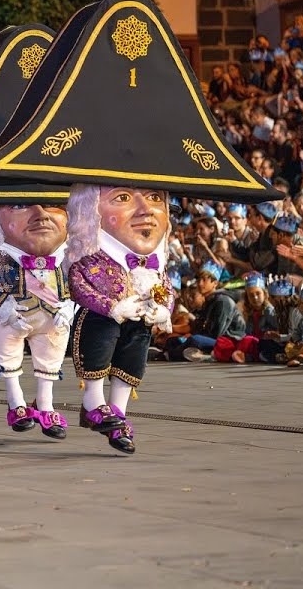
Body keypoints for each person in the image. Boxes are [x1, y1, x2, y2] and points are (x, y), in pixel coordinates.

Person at [65, 185, 175, 453]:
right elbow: (78, 286)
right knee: (100, 342)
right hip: (103, 320)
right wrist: (112, 307)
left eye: (154, 198)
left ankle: (118, 412)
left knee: (133, 359)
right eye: (123, 198)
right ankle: (93, 401)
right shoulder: (92, 257)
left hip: (139, 324)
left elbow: (166, 288)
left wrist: (163, 310)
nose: (147, 209)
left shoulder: (154, 263)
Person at [0, 203, 75, 439]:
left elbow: (78, 286)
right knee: (8, 357)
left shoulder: (68, 258)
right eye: (21, 206)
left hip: (53, 319)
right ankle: (15, 401)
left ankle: (46, 405)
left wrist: (71, 306)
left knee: (51, 360)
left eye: (53, 205)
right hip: (11, 319)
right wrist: (1, 305)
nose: (41, 215)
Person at [168, 261, 244, 362]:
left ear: (215, 283)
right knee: (172, 341)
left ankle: (170, 355)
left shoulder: (223, 301)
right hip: (213, 338)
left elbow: (217, 333)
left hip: (228, 341)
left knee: (195, 340)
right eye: (199, 279)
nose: (200, 283)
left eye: (204, 280)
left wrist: (194, 336)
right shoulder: (208, 301)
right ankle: (186, 354)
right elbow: (199, 326)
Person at [224, 272, 276, 364]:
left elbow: (277, 329)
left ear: (264, 294)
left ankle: (244, 356)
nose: (255, 298)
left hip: (263, 343)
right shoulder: (250, 312)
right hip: (252, 342)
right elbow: (248, 332)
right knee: (225, 341)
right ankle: (237, 355)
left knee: (248, 342)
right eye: (251, 295)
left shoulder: (268, 310)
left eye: (258, 294)